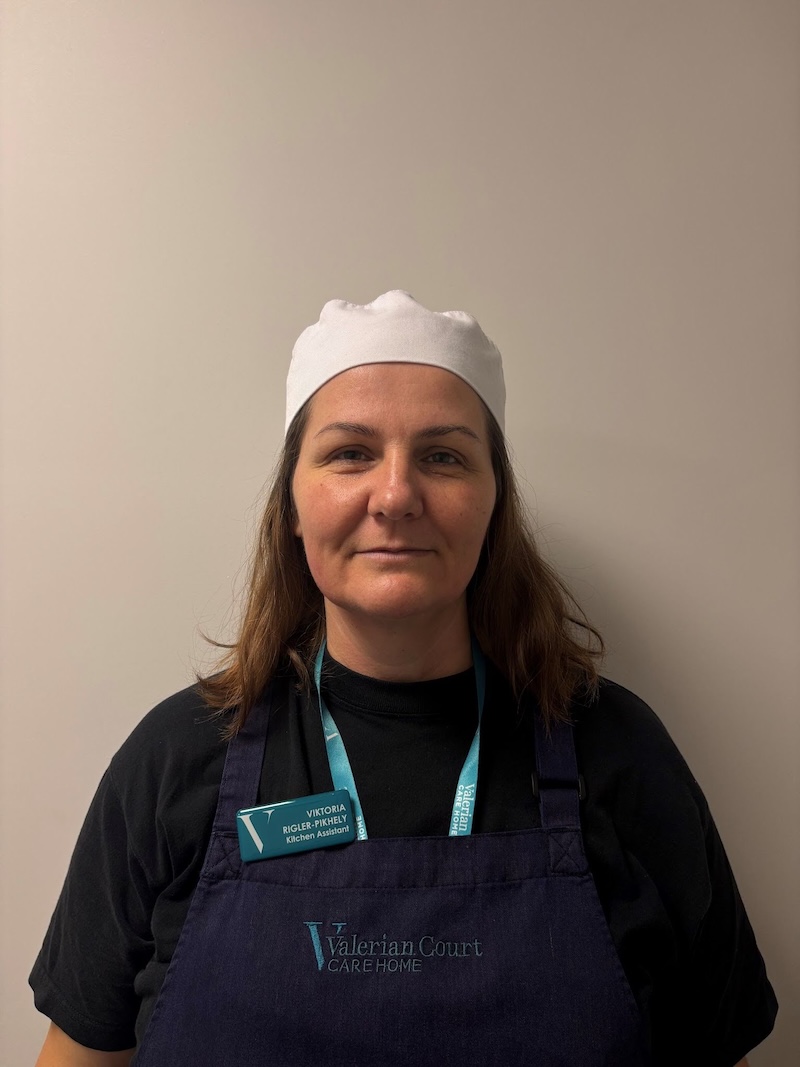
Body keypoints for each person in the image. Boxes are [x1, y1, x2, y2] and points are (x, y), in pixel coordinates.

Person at [31, 291, 777, 1066]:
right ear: (293, 503)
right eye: (350, 453)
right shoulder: (175, 760)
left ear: (494, 502)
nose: (394, 496)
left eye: (443, 456)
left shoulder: (618, 752)